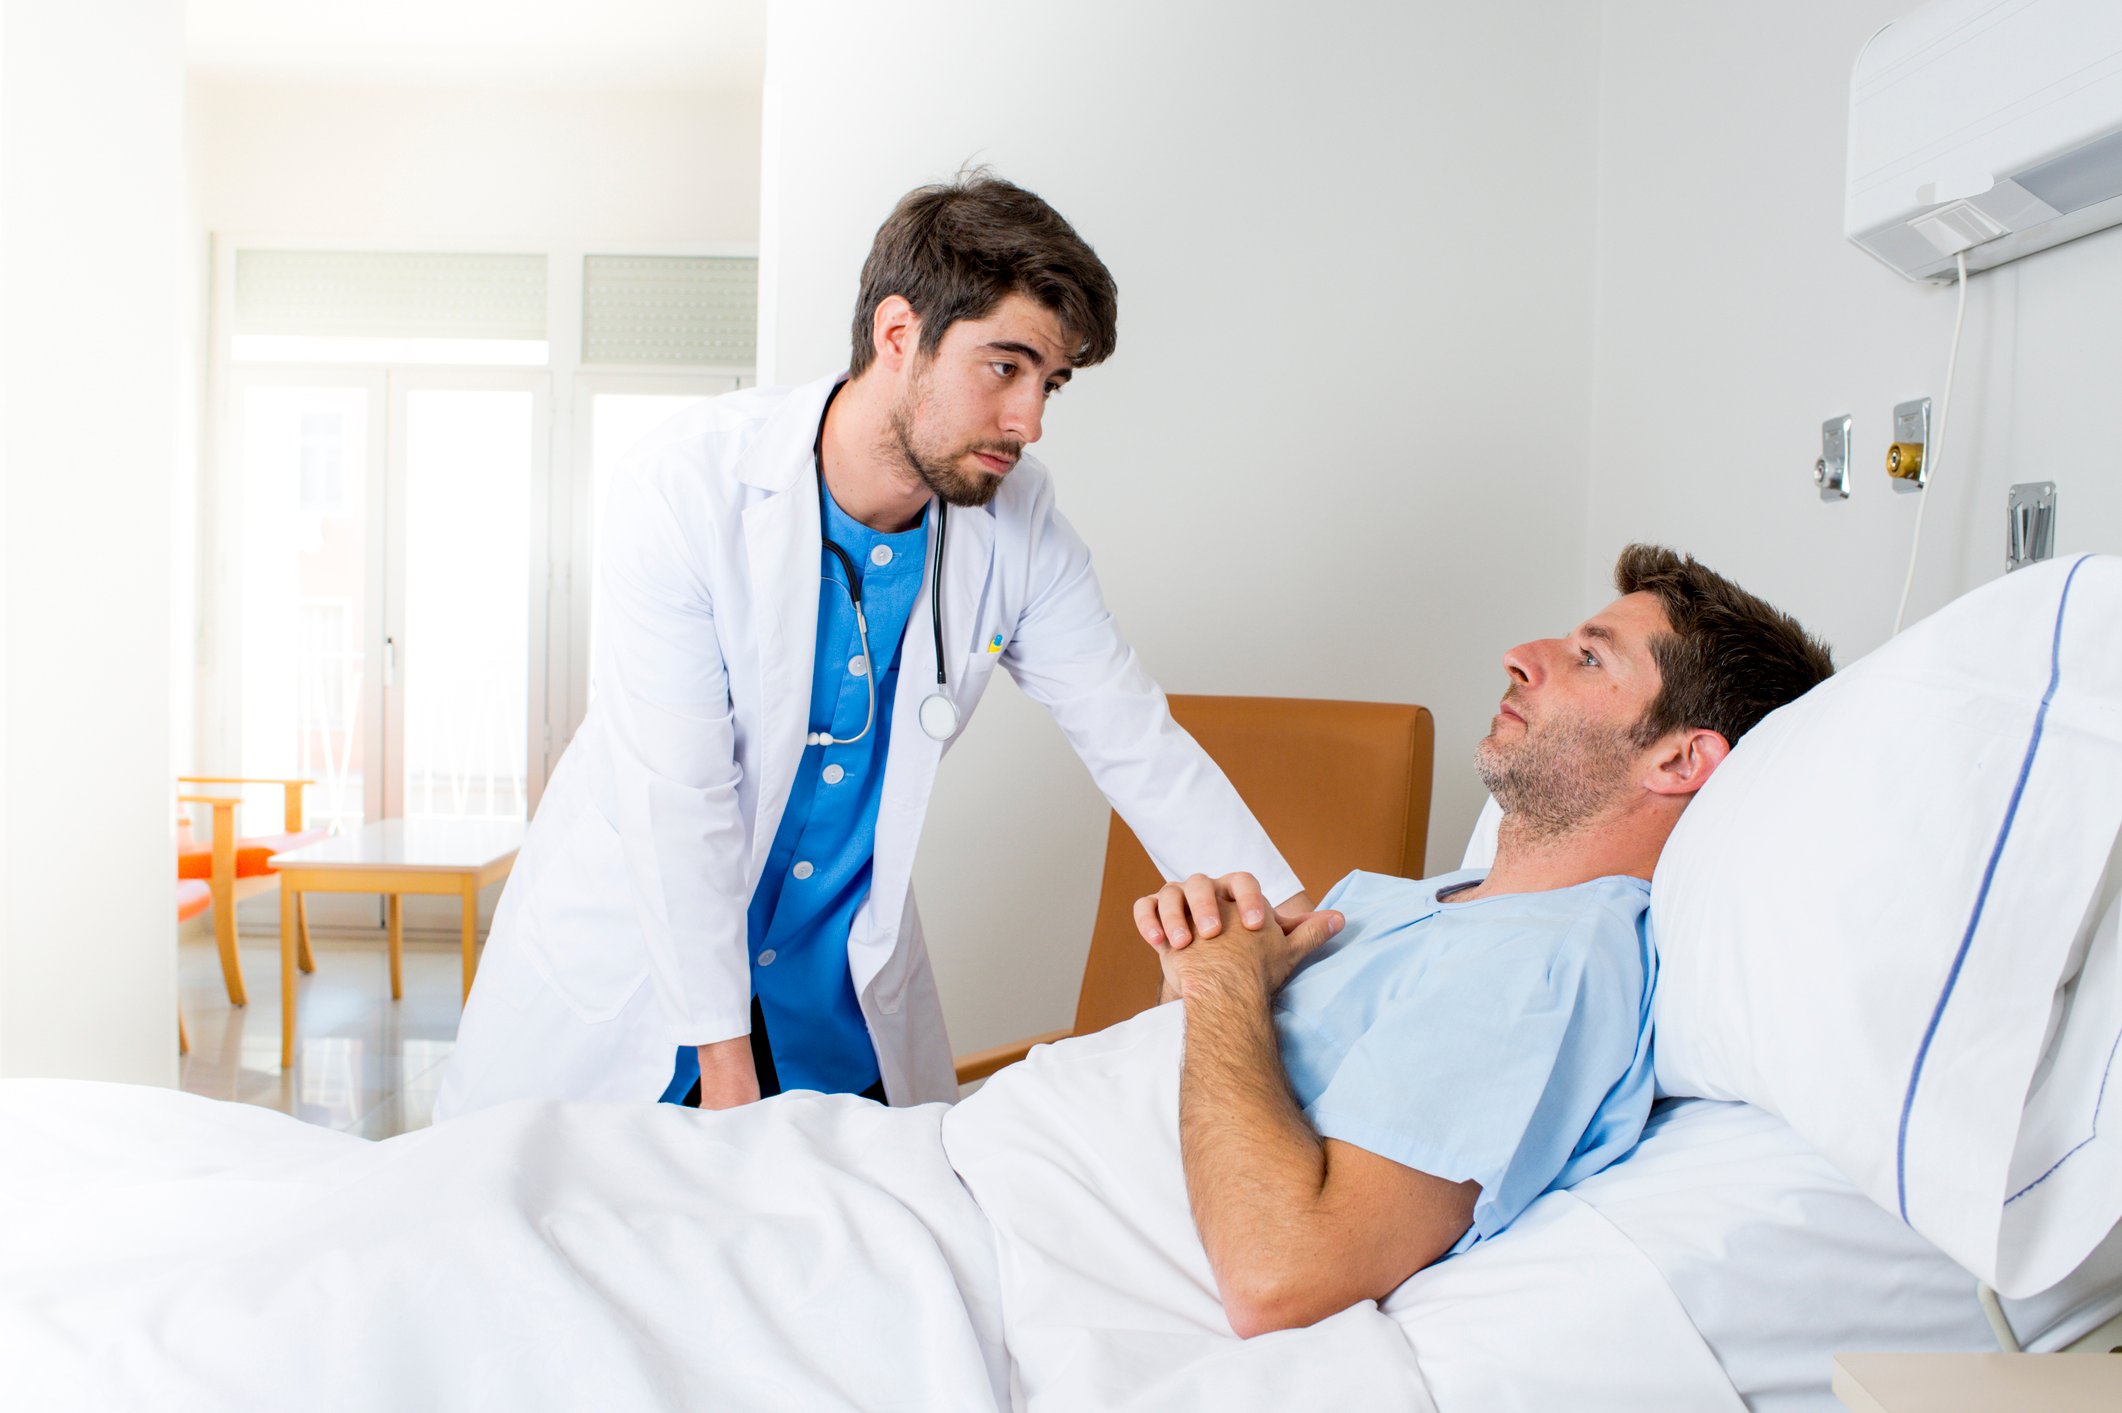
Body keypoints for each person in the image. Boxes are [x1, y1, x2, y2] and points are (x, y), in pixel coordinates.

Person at [436, 173, 1308, 1119]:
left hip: (829, 1004)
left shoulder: (1016, 522)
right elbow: (677, 798)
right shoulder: (688, 485)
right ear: (900, 335)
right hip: (648, 992)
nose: (1031, 422)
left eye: (1049, 383)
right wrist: (728, 1079)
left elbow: (1132, 736)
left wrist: (1300, 924)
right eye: (1004, 368)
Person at [1132, 544, 1834, 1336]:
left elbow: (1281, 1276)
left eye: (1589, 658)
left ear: (1678, 757)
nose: (1521, 658)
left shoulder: (1544, 970)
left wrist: (1222, 986)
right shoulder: (1403, 901)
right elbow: (1212, 1077)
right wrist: (1197, 965)